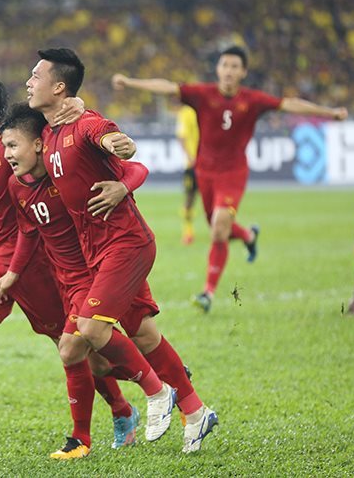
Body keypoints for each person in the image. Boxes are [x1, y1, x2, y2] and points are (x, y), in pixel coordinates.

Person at [0, 75, 134, 455]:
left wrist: (81, 109)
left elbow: (55, 148)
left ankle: (123, 408)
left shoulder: (16, 147)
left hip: (39, 259)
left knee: (75, 349)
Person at [26, 47, 217, 454]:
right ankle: (198, 413)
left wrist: (121, 151)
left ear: (59, 87)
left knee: (92, 329)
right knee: (144, 334)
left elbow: (115, 140)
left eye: (36, 76)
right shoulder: (49, 132)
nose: (29, 82)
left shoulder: (86, 122)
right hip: (97, 252)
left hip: (125, 243)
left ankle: (156, 391)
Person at [112, 46, 348, 313]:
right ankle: (248, 235)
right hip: (204, 172)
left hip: (233, 173)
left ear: (243, 72)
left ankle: (207, 293)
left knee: (219, 227)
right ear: (218, 69)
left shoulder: (253, 100)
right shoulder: (203, 95)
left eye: (235, 66)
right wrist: (130, 82)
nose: (229, 71)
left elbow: (289, 104)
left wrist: (329, 113)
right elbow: (167, 88)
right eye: (225, 65)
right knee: (216, 225)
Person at [0, 102, 155, 458]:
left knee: (71, 350)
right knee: (94, 362)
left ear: (38, 145)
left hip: (96, 273)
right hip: (65, 281)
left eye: (12, 146)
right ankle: (130, 407)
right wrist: (12, 274)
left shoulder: (64, 172)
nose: (7, 156)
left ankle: (82, 438)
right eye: (4, 147)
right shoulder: (15, 185)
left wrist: (122, 187)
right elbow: (28, 231)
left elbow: (137, 167)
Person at [176, 103, 200, 245]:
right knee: (190, 197)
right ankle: (188, 231)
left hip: (210, 164)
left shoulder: (206, 108)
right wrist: (190, 157)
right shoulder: (186, 112)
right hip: (193, 164)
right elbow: (181, 136)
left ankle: (220, 228)